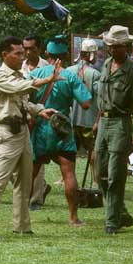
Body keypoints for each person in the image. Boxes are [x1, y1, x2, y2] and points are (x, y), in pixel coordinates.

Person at [0, 36, 57, 242]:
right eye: (18, 53)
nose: (22, 57)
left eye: (23, 53)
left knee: (24, 182)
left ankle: (22, 225)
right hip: (6, 133)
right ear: (5, 55)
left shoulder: (20, 73)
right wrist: (48, 79)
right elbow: (20, 88)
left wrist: (39, 110)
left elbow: (23, 103)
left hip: (22, 132)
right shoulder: (0, 76)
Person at [29, 35, 92, 226]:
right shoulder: (71, 76)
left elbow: (23, 96)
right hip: (62, 129)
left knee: (29, 174)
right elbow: (87, 104)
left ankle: (22, 213)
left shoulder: (36, 75)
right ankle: (73, 217)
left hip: (40, 128)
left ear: (46, 53)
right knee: (69, 175)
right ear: (65, 54)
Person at [93, 25, 133, 234]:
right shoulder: (106, 65)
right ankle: (120, 211)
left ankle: (112, 221)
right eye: (110, 46)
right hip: (104, 123)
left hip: (121, 124)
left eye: (116, 47)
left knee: (116, 174)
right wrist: (97, 120)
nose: (112, 50)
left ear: (126, 46)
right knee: (101, 171)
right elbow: (102, 96)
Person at [23, 34, 51, 210]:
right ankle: (37, 188)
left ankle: (35, 199)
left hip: (40, 118)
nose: (27, 52)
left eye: (31, 48)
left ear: (39, 49)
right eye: (25, 49)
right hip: (21, 117)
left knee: (37, 159)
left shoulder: (47, 68)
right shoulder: (20, 66)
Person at [66, 39, 101, 163]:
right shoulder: (95, 74)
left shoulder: (68, 71)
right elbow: (100, 99)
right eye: (95, 53)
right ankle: (95, 180)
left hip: (71, 119)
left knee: (70, 151)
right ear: (89, 54)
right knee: (93, 149)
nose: (96, 56)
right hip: (89, 120)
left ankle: (66, 178)